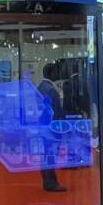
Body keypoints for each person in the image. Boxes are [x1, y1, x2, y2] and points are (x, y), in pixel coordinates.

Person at [37, 63, 67, 192]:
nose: (58, 74)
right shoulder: (50, 90)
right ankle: (51, 183)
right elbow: (56, 112)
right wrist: (60, 129)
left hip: (43, 127)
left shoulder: (40, 87)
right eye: (56, 72)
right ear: (51, 73)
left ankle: (48, 181)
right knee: (50, 155)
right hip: (51, 128)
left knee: (46, 155)